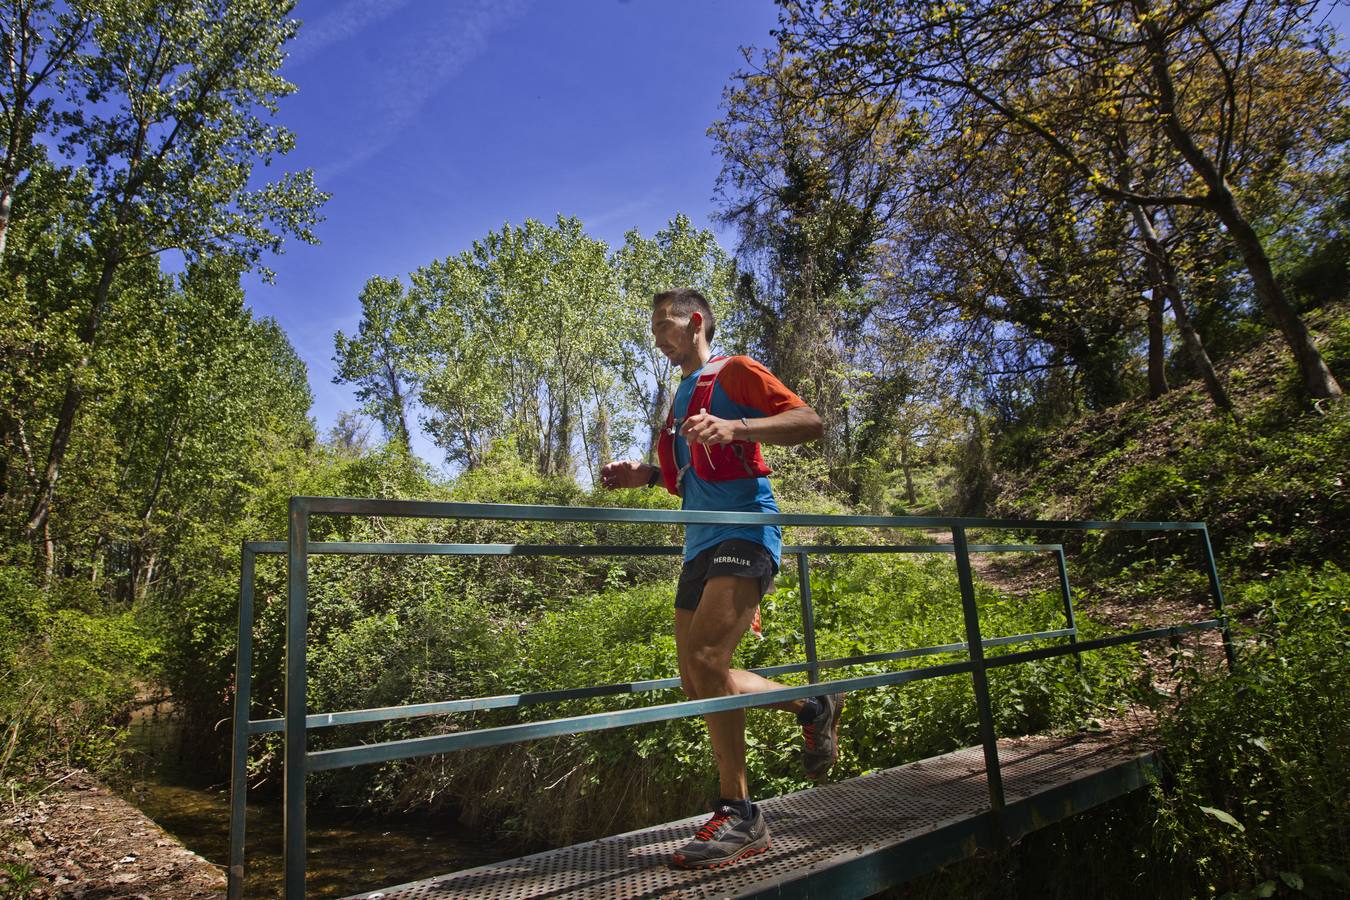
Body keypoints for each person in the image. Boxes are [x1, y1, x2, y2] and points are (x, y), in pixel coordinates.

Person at [600, 288, 843, 870]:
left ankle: (740, 814)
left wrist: (738, 429)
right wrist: (646, 474)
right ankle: (812, 705)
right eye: (654, 328)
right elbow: (689, 469)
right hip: (700, 543)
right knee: (695, 676)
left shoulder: (732, 371)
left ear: (696, 323)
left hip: (747, 532)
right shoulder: (679, 396)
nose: (657, 338)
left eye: (664, 326)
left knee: (708, 658)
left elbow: (809, 421)